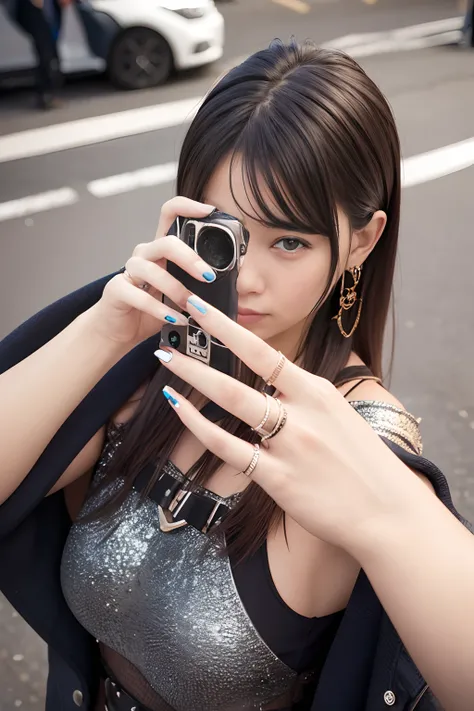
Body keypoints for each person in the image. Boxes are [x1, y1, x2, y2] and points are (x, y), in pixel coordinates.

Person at [0, 39, 473, 711]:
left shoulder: (360, 439)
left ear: (361, 242)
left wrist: (390, 514)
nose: (245, 278)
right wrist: (105, 328)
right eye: (225, 233)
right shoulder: (143, 353)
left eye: (289, 242)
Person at [8, 0, 67, 109]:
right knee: (45, 48)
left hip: (43, 10)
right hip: (32, 7)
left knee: (48, 48)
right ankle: (46, 95)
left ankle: (48, 93)